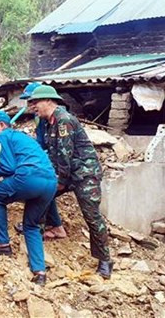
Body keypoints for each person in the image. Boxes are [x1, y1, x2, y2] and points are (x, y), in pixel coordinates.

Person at [27, 85, 113, 279]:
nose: (33, 107)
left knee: (91, 216)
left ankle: (105, 260)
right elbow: (53, 153)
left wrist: (60, 181)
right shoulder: (49, 122)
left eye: (36, 103)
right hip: (68, 172)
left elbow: (64, 155)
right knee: (41, 193)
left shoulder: (64, 121)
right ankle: (38, 231)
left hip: (84, 174)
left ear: (49, 101)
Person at [0, 110, 57, 286]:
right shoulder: (24, 138)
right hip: (50, 182)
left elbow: (8, 167)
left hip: (29, 177)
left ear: (1, 125)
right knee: (31, 225)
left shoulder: (3, 136)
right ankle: (39, 271)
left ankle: (1, 244)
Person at [14, 82, 67, 240]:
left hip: (70, 168)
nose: (30, 105)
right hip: (53, 161)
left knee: (40, 187)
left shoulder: (60, 118)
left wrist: (61, 177)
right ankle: (53, 226)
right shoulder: (40, 118)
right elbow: (41, 142)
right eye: (30, 102)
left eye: (33, 101)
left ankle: (37, 226)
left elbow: (64, 152)